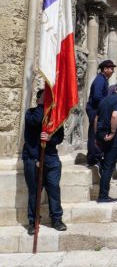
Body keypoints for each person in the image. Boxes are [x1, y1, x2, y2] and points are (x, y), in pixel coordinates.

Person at [23, 89, 66, 234]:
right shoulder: (31, 112)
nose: (48, 99)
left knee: (54, 188)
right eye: (44, 96)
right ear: (38, 99)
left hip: (51, 157)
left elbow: (59, 137)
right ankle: (33, 221)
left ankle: (57, 219)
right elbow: (35, 122)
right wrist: (42, 106)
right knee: (35, 191)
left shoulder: (56, 116)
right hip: (33, 156)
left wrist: (50, 138)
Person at [95, 81, 117, 203]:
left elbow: (96, 118)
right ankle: (103, 196)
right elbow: (114, 116)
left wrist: (96, 135)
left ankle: (103, 194)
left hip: (100, 132)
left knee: (106, 164)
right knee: (109, 167)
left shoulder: (105, 99)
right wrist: (113, 133)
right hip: (111, 136)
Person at [86, 59, 115, 166]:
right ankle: (93, 158)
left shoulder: (103, 79)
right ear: (105, 69)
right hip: (95, 110)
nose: (112, 71)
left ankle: (97, 155)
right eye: (111, 69)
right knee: (94, 133)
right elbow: (97, 97)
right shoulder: (100, 80)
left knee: (97, 133)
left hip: (98, 109)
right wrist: (107, 104)